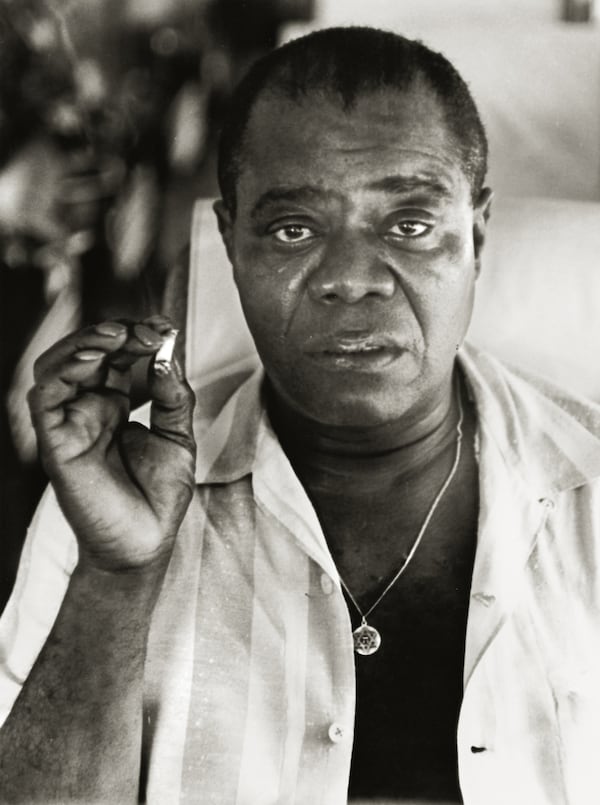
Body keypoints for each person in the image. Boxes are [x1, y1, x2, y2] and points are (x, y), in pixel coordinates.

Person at [0, 26, 599, 805]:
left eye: (409, 225)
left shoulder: (588, 496)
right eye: (294, 228)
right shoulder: (114, 499)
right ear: (231, 240)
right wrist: (117, 578)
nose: (351, 279)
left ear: (476, 234)